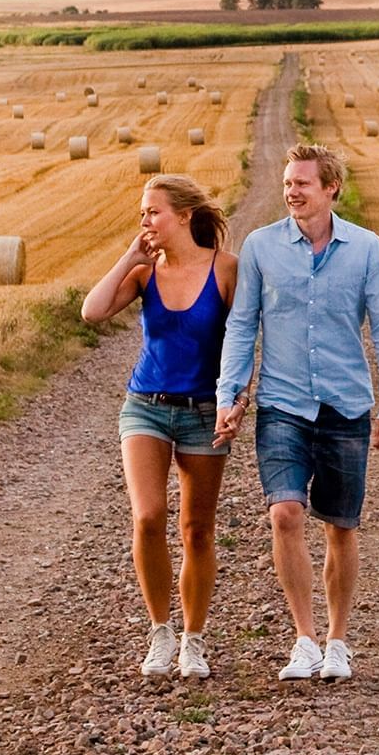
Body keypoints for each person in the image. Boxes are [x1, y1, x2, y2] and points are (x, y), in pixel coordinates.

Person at [214, 144, 379, 683]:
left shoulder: (367, 249)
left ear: (331, 189)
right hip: (282, 404)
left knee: (341, 526)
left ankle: (338, 640)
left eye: (302, 183)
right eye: (287, 183)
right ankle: (303, 638)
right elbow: (242, 325)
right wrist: (229, 394)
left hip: (346, 405)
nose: (291, 191)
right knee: (285, 513)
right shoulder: (260, 247)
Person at [82, 175, 242, 679]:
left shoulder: (227, 271)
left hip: (201, 412)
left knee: (197, 530)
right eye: (142, 214)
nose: (145, 221)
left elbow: (242, 343)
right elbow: (92, 311)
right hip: (144, 407)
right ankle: (160, 631)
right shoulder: (145, 273)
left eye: (153, 212)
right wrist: (129, 256)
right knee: (148, 517)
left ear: (184, 216)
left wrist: (235, 400)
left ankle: (193, 639)